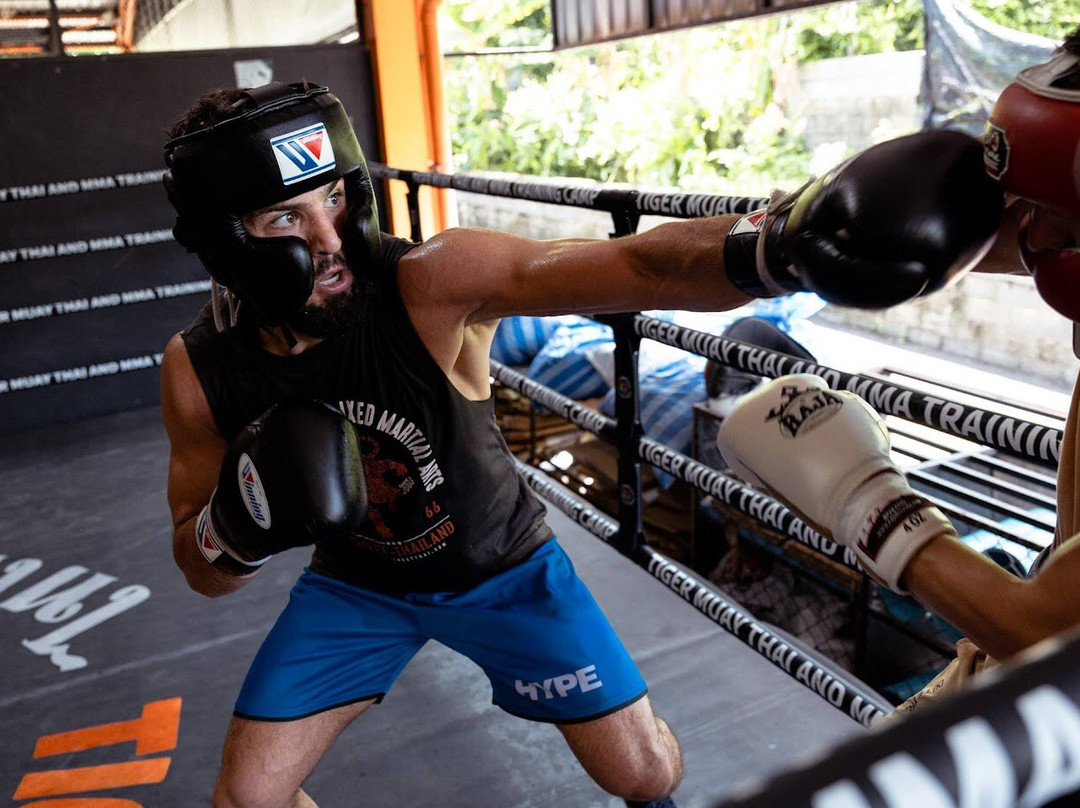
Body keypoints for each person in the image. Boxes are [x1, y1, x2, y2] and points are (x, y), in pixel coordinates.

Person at [158, 79, 1001, 808]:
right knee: (247, 796)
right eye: (285, 217)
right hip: (357, 589)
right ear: (226, 242)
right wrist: (233, 526)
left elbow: (640, 269)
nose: (331, 238)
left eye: (335, 196)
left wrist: (779, 247)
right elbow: (200, 569)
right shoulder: (200, 372)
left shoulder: (428, 283)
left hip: (506, 572)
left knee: (640, 775)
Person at [716, 26, 1080, 722]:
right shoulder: (1054, 237)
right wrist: (781, 236)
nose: (1029, 237)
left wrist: (867, 503)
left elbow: (1052, 638)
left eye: (1056, 216)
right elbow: (939, 230)